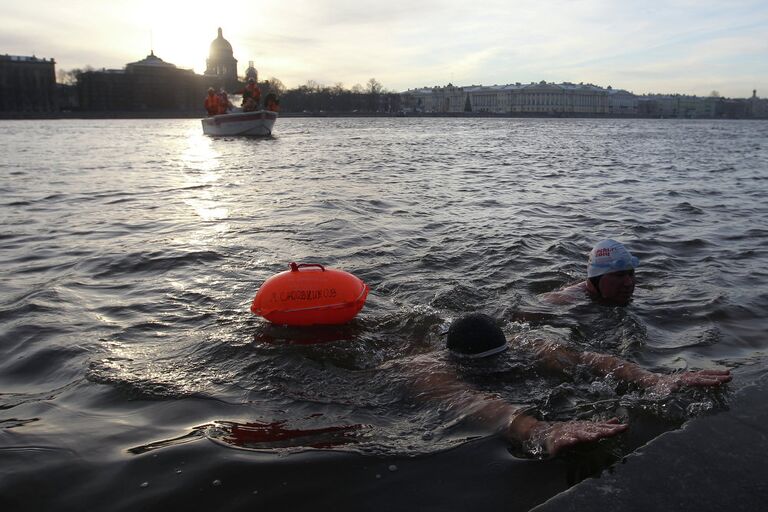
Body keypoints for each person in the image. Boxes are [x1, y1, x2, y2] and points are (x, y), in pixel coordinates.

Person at [415, 313, 731, 456]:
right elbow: (468, 401)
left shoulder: (526, 345)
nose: (497, 370)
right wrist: (538, 430)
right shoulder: (426, 369)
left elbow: (589, 359)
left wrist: (654, 379)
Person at [542, 239, 639, 305]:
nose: (629, 283)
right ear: (596, 278)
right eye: (619, 275)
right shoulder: (565, 300)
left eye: (631, 274)